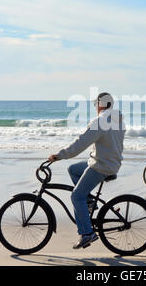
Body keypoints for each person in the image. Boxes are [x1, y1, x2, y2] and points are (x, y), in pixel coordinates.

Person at [48, 92, 125, 249]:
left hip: (101, 166)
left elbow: (80, 143)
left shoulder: (100, 121)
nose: (95, 108)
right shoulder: (117, 120)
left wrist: (59, 155)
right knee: (74, 169)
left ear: (101, 104)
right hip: (110, 162)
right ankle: (89, 202)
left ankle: (87, 233)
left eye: (95, 104)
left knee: (76, 197)